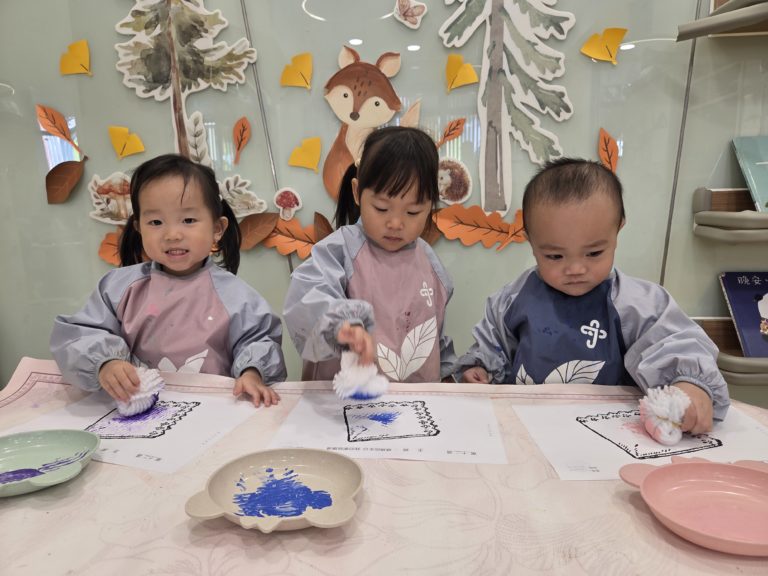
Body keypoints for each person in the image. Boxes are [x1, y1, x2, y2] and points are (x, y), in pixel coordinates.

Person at [456, 158, 729, 433]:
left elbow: (675, 343)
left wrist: (689, 384)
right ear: (531, 241)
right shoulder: (513, 299)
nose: (576, 269)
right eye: (555, 256)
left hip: (609, 431)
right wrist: (480, 368)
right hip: (527, 426)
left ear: (618, 230)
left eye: (594, 253)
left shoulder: (637, 304)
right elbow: (493, 345)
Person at [50, 154, 286, 407]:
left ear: (217, 228)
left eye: (188, 220)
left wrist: (252, 373)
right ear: (139, 227)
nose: (172, 234)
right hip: (137, 409)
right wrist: (105, 363)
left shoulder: (237, 296)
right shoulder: (117, 289)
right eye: (156, 222)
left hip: (213, 412)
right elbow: (81, 334)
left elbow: (258, 341)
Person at [284, 126, 457, 382]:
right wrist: (339, 325)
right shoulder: (339, 250)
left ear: (431, 204)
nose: (396, 223)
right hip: (345, 398)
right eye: (381, 208)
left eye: (412, 212)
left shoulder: (429, 261)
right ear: (357, 193)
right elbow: (306, 298)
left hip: (415, 400)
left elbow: (435, 335)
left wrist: (449, 376)